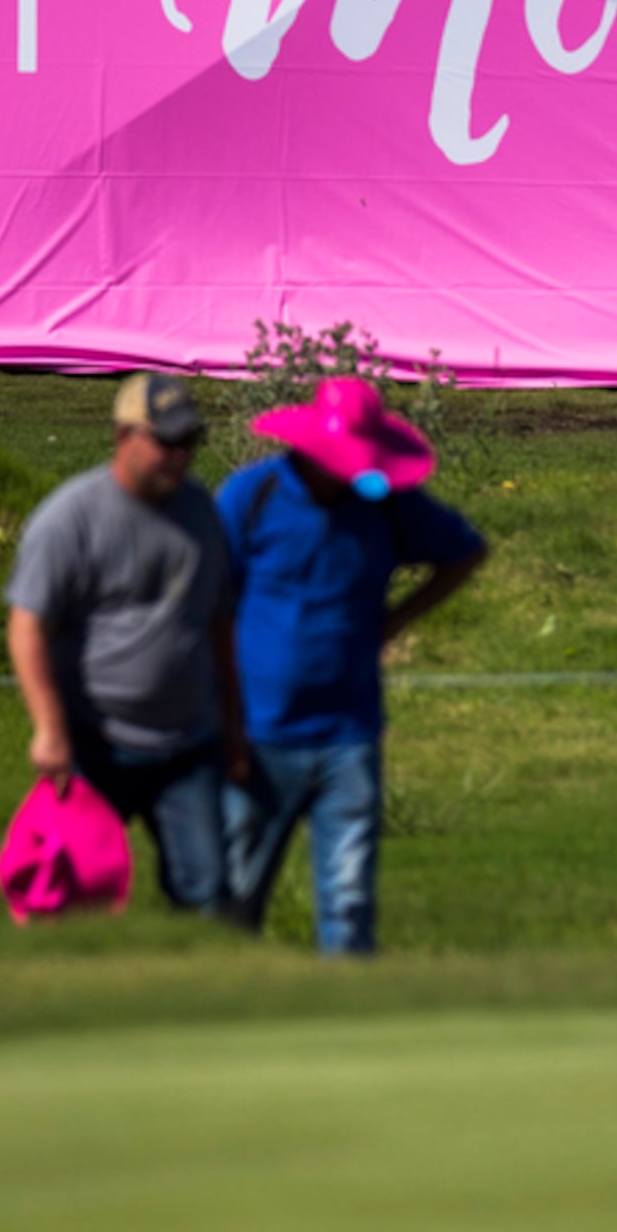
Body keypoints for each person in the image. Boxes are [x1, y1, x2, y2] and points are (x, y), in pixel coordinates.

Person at [216, 376, 486, 956]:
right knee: (233, 895)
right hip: (258, 733)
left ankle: (347, 1017)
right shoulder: (252, 497)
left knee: (348, 900)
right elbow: (208, 602)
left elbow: (465, 552)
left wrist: (396, 621)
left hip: (349, 734)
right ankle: (220, 1011)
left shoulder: (385, 503)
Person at [4, 372, 249, 921]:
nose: (177, 457)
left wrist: (234, 727)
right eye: (165, 442)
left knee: (208, 895)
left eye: (188, 443)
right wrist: (49, 728)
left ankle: (198, 996)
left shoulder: (202, 514)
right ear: (123, 436)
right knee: (67, 896)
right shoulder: (70, 518)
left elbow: (218, 626)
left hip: (188, 744)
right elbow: (26, 627)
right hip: (94, 745)